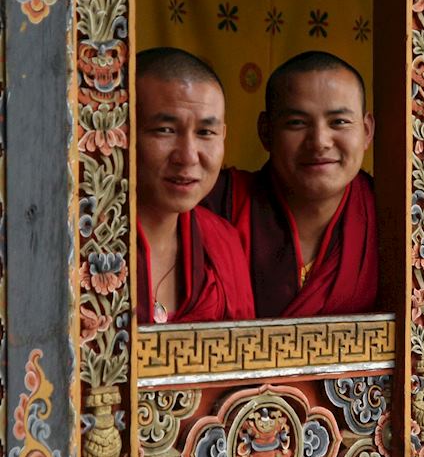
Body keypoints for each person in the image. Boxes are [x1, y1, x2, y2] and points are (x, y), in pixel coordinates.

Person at [204, 51, 378, 317]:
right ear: (266, 131)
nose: (319, 141)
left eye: (339, 122)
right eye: (297, 123)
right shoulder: (218, 205)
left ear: (366, 131)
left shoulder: (394, 215)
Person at [136, 47, 255, 324]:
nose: (188, 156)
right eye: (165, 130)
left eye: (205, 133)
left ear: (223, 136)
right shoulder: (86, 242)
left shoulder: (223, 242)